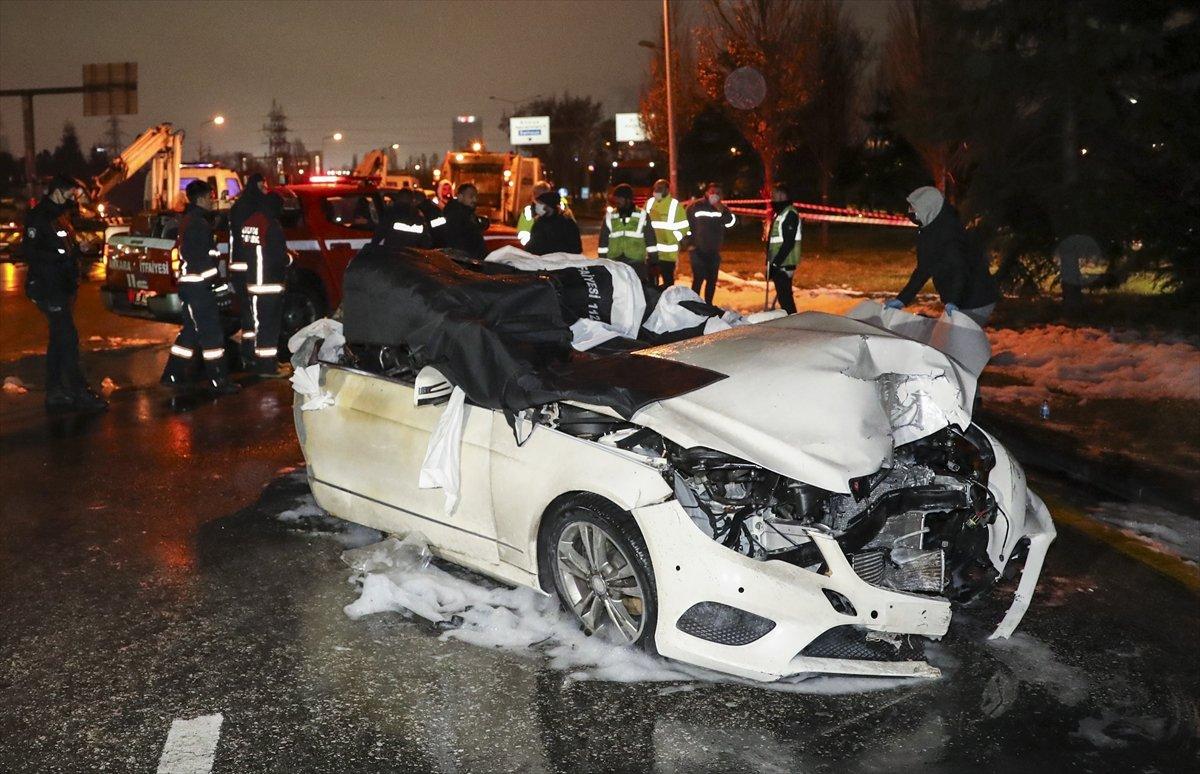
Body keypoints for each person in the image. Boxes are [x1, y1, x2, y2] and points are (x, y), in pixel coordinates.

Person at [21, 176, 108, 412]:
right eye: (71, 193)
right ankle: (79, 392)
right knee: (68, 340)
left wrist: (78, 250)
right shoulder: (39, 216)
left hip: (62, 286)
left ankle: (56, 392)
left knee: (59, 340)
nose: (74, 198)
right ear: (59, 192)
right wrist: (59, 257)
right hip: (48, 287)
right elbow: (29, 251)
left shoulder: (61, 215)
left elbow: (63, 245)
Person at [160, 180, 239, 395]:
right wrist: (217, 286)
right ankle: (219, 381)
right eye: (211, 197)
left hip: (191, 287)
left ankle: (172, 375)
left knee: (190, 334)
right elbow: (204, 261)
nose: (213, 201)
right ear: (202, 198)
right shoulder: (198, 224)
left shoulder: (190, 221)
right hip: (199, 289)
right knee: (212, 335)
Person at [885, 186, 999, 327]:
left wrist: (953, 301)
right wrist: (902, 299)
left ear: (928, 208)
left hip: (976, 299)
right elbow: (924, 269)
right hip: (960, 298)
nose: (910, 212)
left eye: (913, 208)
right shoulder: (929, 229)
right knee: (952, 339)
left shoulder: (949, 233)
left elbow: (960, 270)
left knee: (959, 340)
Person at [240, 192, 290, 376]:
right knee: (269, 327)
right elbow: (279, 255)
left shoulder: (250, 222)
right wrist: (290, 259)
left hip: (254, 282)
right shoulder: (272, 224)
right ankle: (267, 367)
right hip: (269, 283)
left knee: (261, 326)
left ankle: (268, 363)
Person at [229, 172, 267, 363]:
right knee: (256, 314)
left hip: (239, 268)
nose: (264, 191)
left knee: (248, 313)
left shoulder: (238, 206)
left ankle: (248, 352)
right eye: (262, 186)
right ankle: (254, 354)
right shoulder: (255, 208)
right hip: (252, 269)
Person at [686, 182, 736, 304]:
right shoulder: (695, 206)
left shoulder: (722, 209)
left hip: (713, 251)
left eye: (718, 193)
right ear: (706, 193)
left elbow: (731, 224)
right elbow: (685, 226)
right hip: (697, 250)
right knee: (698, 280)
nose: (715, 195)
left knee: (712, 281)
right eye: (712, 192)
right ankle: (694, 305)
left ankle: (708, 305)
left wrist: (722, 210)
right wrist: (689, 244)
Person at [598, 183, 657, 282]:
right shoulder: (610, 216)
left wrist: (654, 262)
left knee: (638, 293)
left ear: (628, 199)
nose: (617, 201)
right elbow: (603, 242)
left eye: (620, 198)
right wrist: (602, 261)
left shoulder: (642, 215)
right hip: (615, 263)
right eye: (616, 198)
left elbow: (651, 241)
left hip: (636, 263)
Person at [644, 178, 690, 287]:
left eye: (660, 188)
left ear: (667, 190)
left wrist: (671, 238)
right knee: (651, 285)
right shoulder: (649, 203)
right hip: (651, 253)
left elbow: (684, 227)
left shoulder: (674, 205)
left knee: (668, 285)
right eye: (655, 188)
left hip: (668, 255)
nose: (657, 191)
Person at [766, 183, 801, 314]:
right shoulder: (781, 213)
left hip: (785, 263)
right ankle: (792, 322)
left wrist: (775, 263)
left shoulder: (789, 214)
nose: (771, 199)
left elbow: (788, 243)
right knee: (783, 297)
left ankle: (794, 324)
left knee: (785, 298)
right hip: (779, 263)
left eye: (773, 195)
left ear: (781, 195)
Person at [527, 190, 582, 255]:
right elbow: (532, 246)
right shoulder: (539, 223)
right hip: (541, 263)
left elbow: (576, 248)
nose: (537, 206)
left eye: (540, 204)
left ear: (549, 205)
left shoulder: (567, 223)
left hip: (560, 263)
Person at [442, 183, 487, 259]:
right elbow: (459, 244)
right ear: (460, 197)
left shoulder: (468, 213)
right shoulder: (455, 215)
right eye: (471, 196)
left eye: (476, 196)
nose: (475, 200)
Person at [516, 180, 553, 246]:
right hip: (547, 252)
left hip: (534, 251)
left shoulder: (528, 211)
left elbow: (521, 233)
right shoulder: (556, 210)